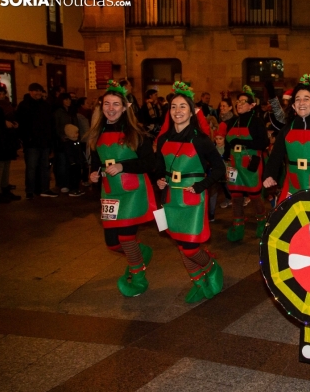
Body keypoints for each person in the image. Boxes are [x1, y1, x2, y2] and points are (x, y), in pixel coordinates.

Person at [155, 82, 226, 303]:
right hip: (171, 197)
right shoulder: (164, 139)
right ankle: (198, 280)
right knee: (179, 241)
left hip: (192, 197)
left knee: (190, 245)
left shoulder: (200, 138)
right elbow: (160, 166)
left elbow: (219, 169)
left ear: (191, 110)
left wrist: (200, 186)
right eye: (174, 107)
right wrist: (159, 179)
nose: (177, 111)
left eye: (182, 107)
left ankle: (211, 267)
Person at [87, 80, 156, 297]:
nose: (111, 108)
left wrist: (123, 165)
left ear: (125, 107)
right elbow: (96, 160)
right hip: (110, 192)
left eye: (116, 104)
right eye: (107, 104)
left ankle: (138, 279)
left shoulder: (137, 132)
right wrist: (93, 173)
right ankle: (140, 252)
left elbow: (149, 163)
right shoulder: (96, 132)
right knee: (112, 243)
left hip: (133, 192)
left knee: (126, 238)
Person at [263, 75, 310, 201]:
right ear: (293, 106)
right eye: (297, 99)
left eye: (306, 99)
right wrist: (269, 175)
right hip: (293, 184)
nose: (301, 103)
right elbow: (276, 156)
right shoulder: (287, 129)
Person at [223, 86, 269, 242]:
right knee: (235, 196)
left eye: (243, 101)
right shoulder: (232, 121)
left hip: (249, 163)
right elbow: (228, 144)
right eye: (238, 101)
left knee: (254, 195)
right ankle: (238, 226)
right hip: (234, 162)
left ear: (252, 105)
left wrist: (241, 141)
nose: (239, 104)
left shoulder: (256, 122)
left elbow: (263, 142)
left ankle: (263, 223)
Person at [16, 83, 58, 198]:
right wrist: (26, 138)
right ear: (30, 91)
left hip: (44, 142)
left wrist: (50, 141)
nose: (38, 93)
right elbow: (21, 124)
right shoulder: (24, 105)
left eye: (40, 91)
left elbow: (51, 124)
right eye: (36, 91)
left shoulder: (45, 105)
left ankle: (44, 188)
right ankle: (30, 190)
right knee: (31, 167)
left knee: (44, 167)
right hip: (31, 143)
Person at [0, 83, 20, 202]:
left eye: (3, 94)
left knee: (6, 165)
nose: (1, 96)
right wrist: (4, 124)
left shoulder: (8, 105)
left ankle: (5, 188)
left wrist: (14, 123)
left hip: (8, 140)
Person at [53, 92, 77, 193]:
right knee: (62, 163)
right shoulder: (58, 112)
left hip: (72, 140)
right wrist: (62, 136)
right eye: (66, 99)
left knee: (71, 162)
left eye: (69, 99)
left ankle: (71, 183)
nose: (68, 101)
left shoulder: (71, 112)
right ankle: (63, 183)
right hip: (62, 142)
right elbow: (56, 126)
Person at [63, 124, 85, 197]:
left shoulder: (77, 142)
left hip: (78, 162)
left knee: (78, 176)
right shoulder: (68, 143)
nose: (77, 134)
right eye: (76, 133)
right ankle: (72, 189)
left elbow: (80, 152)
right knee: (73, 177)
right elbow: (69, 154)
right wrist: (72, 162)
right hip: (72, 164)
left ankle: (77, 188)